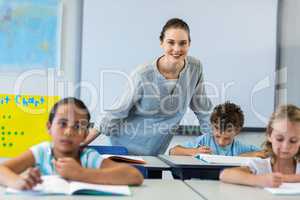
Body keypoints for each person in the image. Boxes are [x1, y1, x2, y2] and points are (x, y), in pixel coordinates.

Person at [83, 18, 213, 156]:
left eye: (183, 43)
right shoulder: (143, 74)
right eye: (171, 42)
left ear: (189, 44)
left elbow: (203, 110)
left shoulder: (195, 68)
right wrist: (82, 144)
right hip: (123, 148)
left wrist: (220, 144)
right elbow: (116, 112)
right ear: (161, 43)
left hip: (155, 151)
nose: (177, 49)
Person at [0, 97, 143, 190]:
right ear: (49, 127)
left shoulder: (88, 157)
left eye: (77, 126)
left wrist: (81, 173)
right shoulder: (41, 152)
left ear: (85, 135)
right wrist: (17, 182)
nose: (69, 132)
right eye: (62, 123)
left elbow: (134, 175)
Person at [219, 104, 300, 187]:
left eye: (293, 141)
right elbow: (225, 175)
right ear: (269, 135)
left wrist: (283, 178)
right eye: (279, 139)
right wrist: (259, 180)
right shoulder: (260, 165)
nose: (286, 146)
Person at [169, 102, 262, 156]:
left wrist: (242, 157)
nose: (221, 142)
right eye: (217, 136)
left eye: (227, 138)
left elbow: (266, 153)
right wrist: (195, 151)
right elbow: (172, 151)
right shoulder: (205, 140)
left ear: (237, 131)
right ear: (212, 127)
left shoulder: (239, 147)